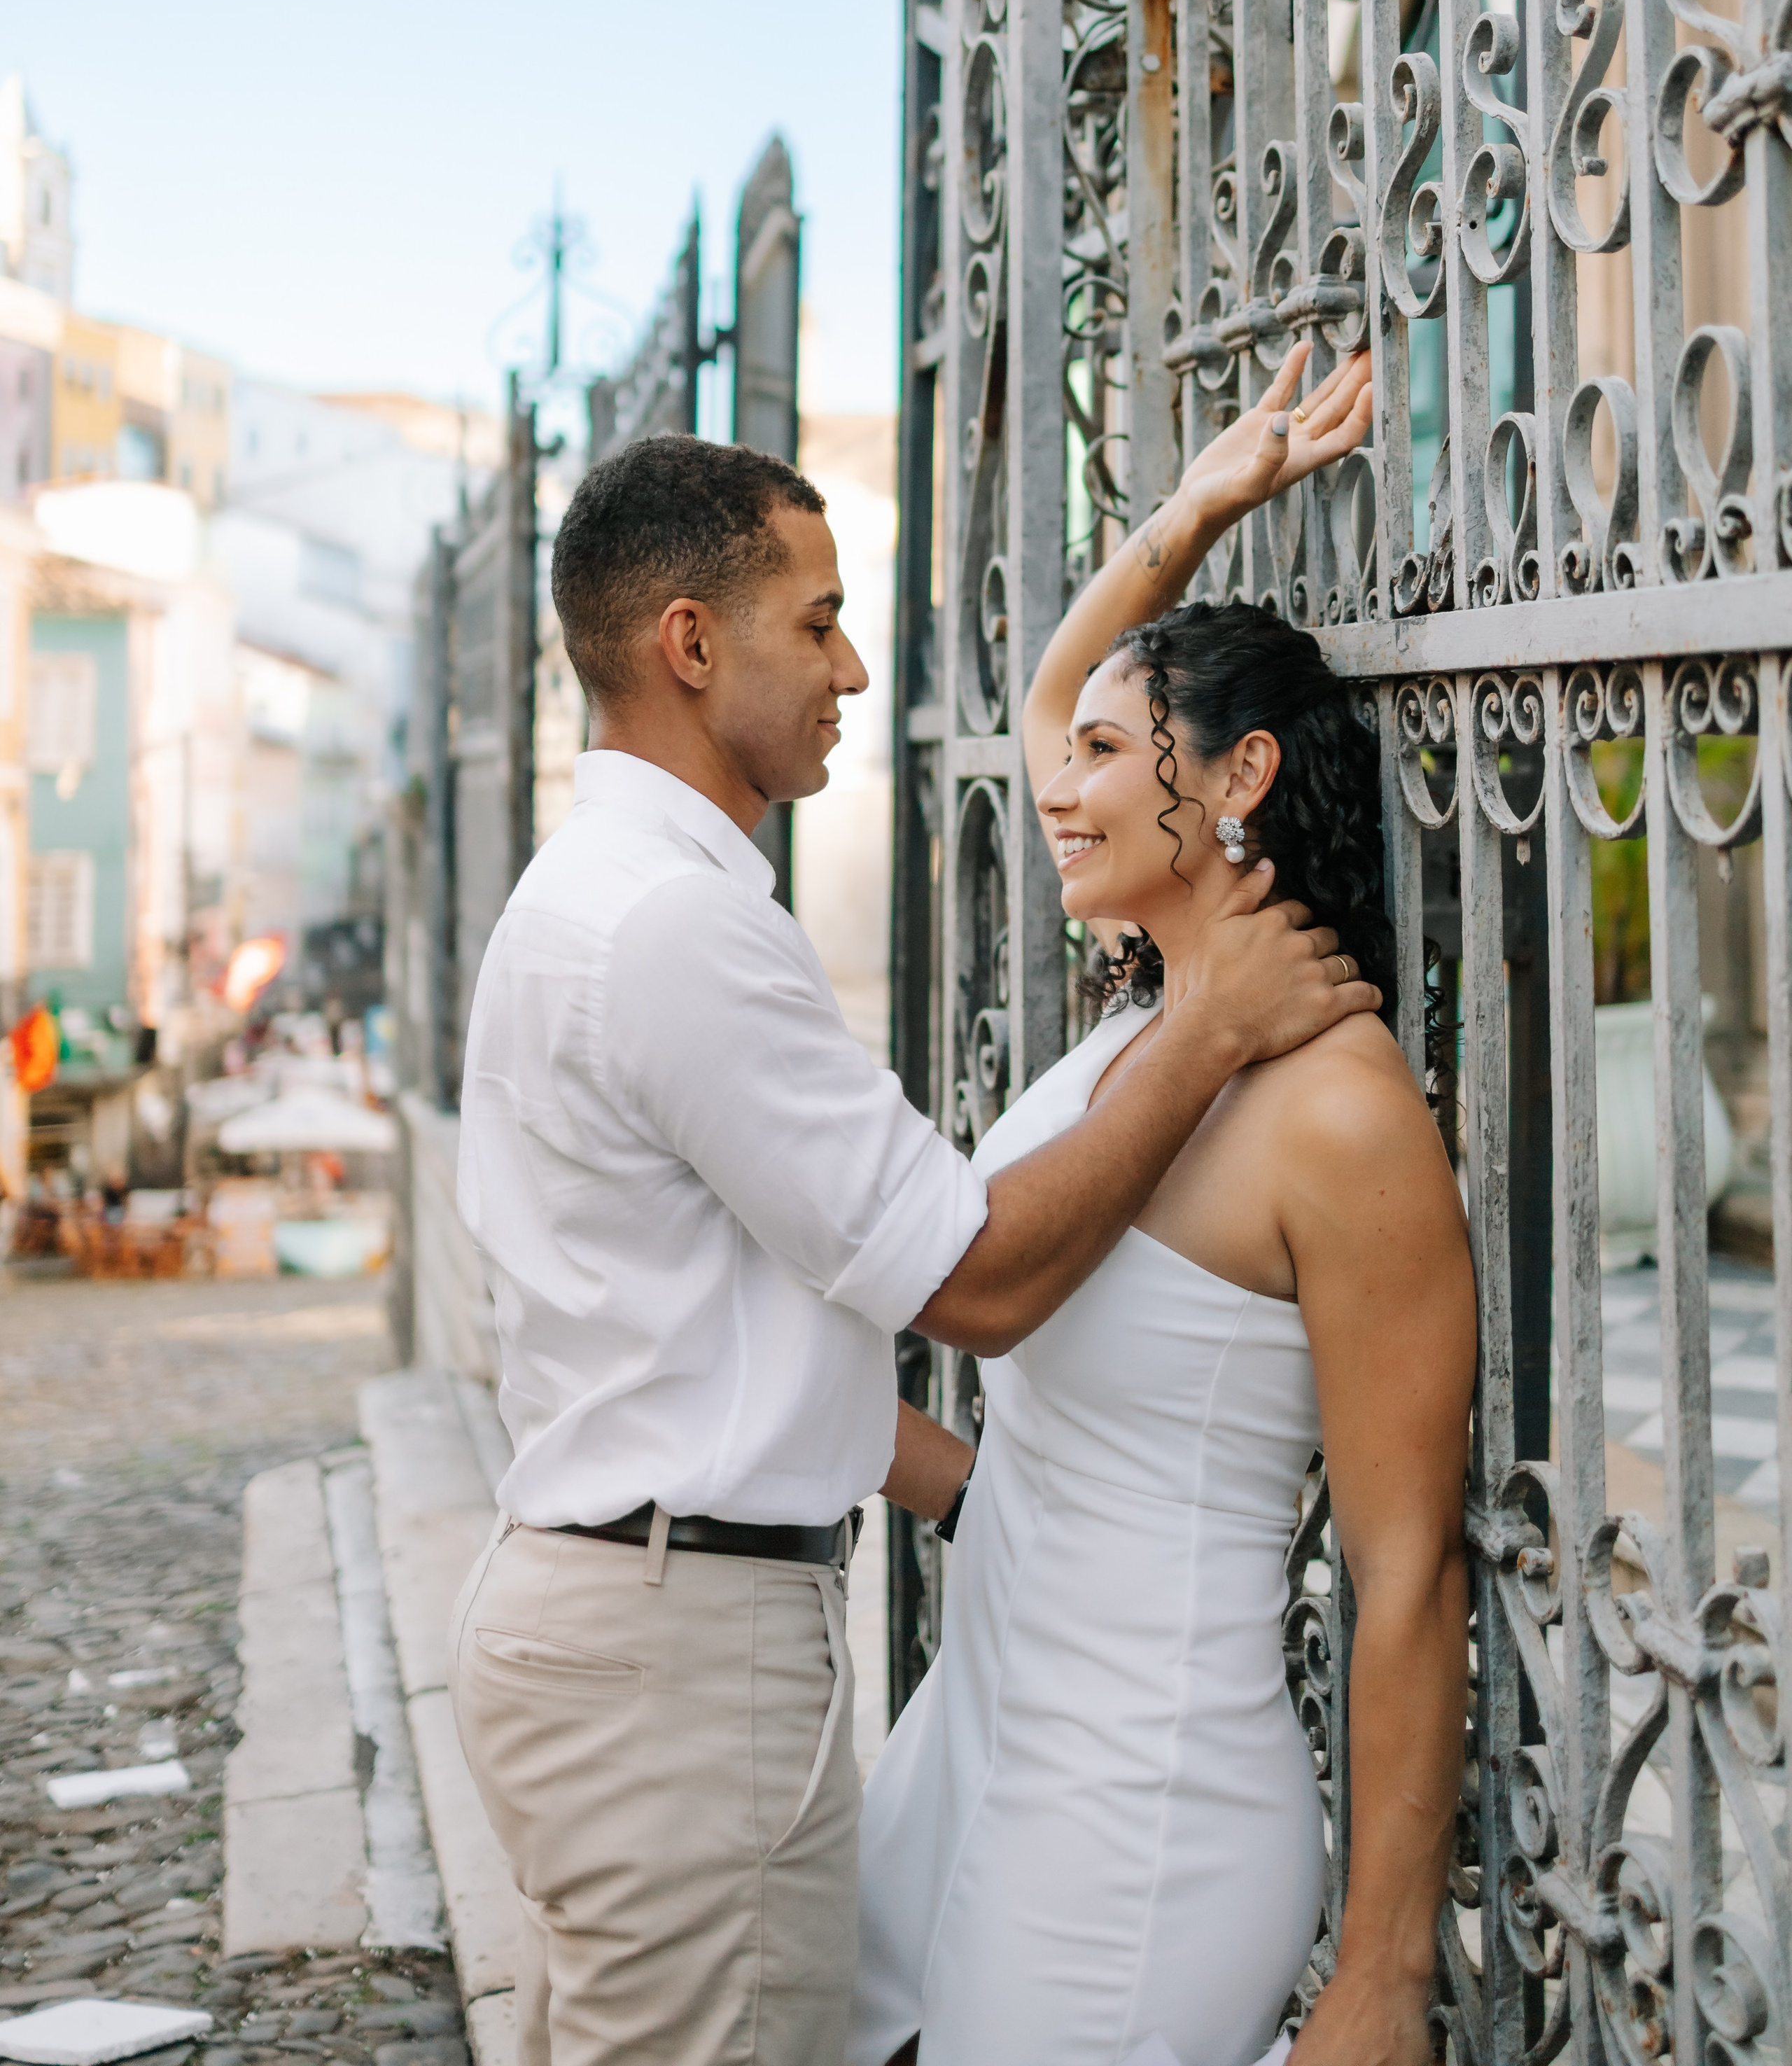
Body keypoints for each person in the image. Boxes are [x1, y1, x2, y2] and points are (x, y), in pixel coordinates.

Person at [446, 428, 1380, 2066]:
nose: (855, 670)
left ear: (1227, 781)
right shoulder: (678, 925)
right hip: (682, 1670)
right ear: (687, 644)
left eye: (1107, 752)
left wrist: (1196, 507)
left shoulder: (607, 890)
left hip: (928, 1689)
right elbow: (981, 1285)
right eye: (814, 625)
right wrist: (1216, 1023)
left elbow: (742, 1346)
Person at [851, 344, 1476, 2066]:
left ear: (1237, 776)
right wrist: (1194, 510)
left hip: (1135, 1812)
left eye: (1116, 753)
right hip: (984, 1727)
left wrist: (1381, 1976)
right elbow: (1056, 695)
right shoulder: (1151, 1009)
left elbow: (1404, 1569)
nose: (1057, 780)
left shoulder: (1336, 1113)